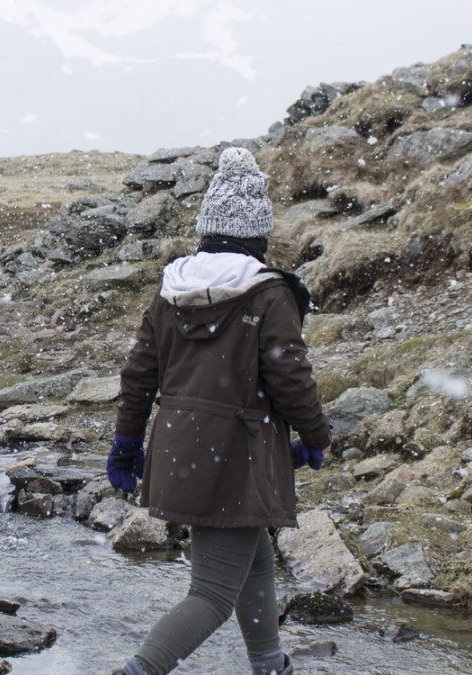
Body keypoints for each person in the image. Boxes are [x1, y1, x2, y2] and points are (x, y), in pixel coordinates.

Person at [107, 147, 331, 675]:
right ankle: (138, 671)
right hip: (238, 453)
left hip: (181, 446)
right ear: (258, 234)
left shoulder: (171, 289)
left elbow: (141, 374)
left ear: (206, 228)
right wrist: (317, 436)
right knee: (211, 593)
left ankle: (270, 664)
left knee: (252, 559)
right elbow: (290, 376)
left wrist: (127, 442)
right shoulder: (269, 293)